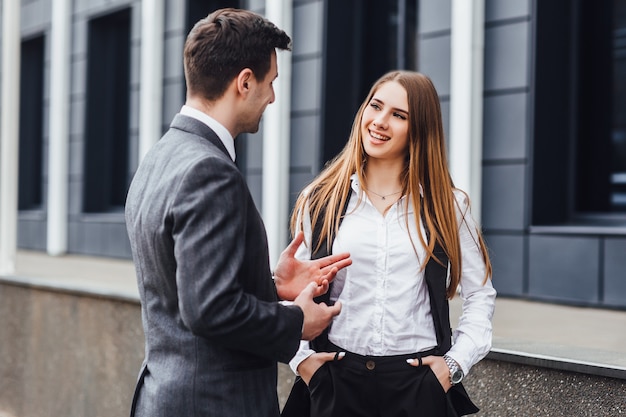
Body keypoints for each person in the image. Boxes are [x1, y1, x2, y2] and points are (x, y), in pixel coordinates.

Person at [124, 8, 351, 417]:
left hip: (166, 397)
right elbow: (210, 309)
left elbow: (188, 285)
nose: (272, 98)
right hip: (212, 403)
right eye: (270, 83)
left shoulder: (159, 157)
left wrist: (268, 284)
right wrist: (297, 321)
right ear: (245, 82)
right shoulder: (210, 171)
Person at [282, 71, 496, 417]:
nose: (379, 122)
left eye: (398, 115)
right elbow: (294, 292)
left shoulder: (447, 205)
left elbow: (480, 294)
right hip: (335, 382)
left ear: (419, 129)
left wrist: (452, 366)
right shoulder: (320, 200)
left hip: (418, 386)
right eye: (375, 106)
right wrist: (304, 362)